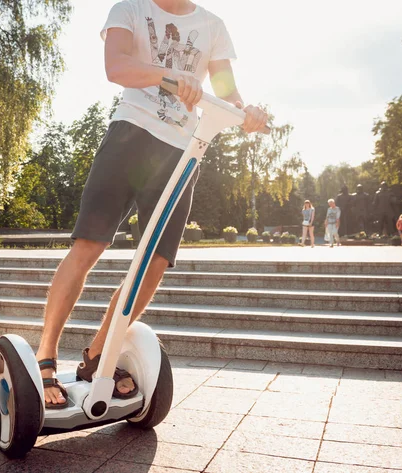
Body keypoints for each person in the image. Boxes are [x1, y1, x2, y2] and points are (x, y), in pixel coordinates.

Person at [36, 0, 268, 408]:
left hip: (182, 150)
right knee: (89, 244)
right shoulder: (129, 9)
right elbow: (117, 67)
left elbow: (227, 91)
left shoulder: (213, 25)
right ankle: (45, 356)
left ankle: (97, 355)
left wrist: (246, 112)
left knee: (156, 260)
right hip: (130, 134)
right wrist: (172, 76)